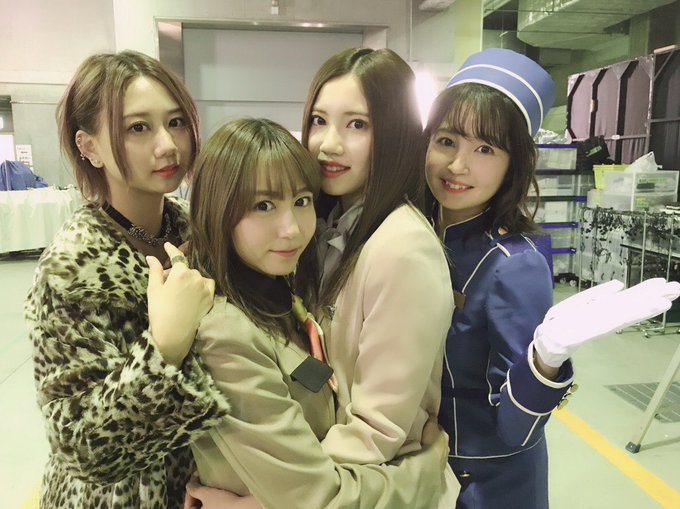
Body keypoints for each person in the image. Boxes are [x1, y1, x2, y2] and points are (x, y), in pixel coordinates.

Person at [187, 46, 459, 509]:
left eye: (357, 125)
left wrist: (277, 498)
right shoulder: (326, 230)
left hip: (371, 485)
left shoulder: (402, 248)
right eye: (319, 120)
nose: (329, 144)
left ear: (394, 134)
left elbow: (377, 431)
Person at [424, 47, 680, 508]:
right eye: (447, 140)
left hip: (484, 482)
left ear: (515, 163)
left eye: (485, 149)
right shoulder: (417, 233)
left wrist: (544, 362)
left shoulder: (512, 264)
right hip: (419, 466)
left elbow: (516, 429)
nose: (457, 165)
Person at [24, 50, 230, 508]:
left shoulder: (197, 232)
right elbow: (81, 447)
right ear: (89, 147)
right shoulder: (71, 271)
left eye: (176, 122)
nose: (167, 145)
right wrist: (163, 349)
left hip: (207, 487)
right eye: (138, 128)